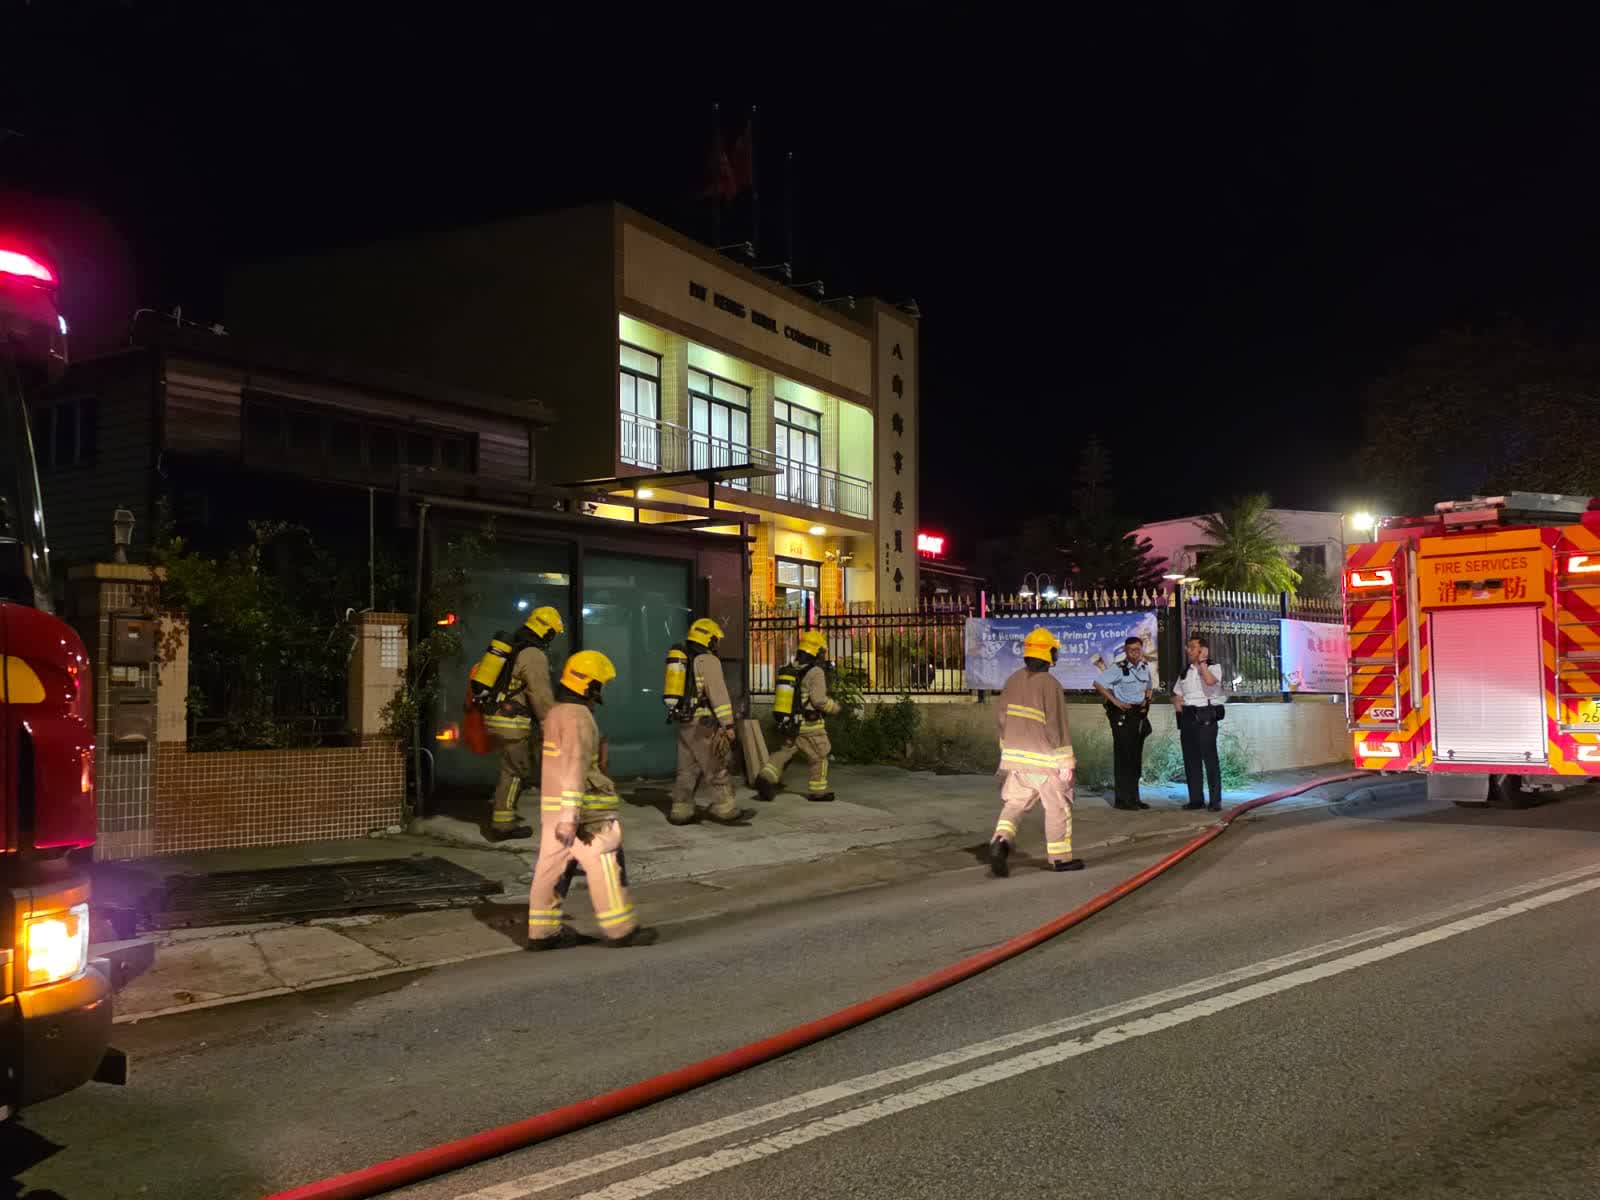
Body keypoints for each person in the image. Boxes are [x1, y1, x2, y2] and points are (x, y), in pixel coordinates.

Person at [526, 650, 657, 950]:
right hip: (585, 814)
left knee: (550, 869)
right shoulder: (579, 717)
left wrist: (562, 817)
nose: (602, 691)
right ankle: (622, 930)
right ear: (590, 686)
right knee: (606, 863)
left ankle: (542, 933)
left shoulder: (556, 713)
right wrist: (571, 817)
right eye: (601, 685)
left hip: (554, 811)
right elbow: (575, 767)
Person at [989, 627, 1081, 877]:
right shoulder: (1050, 684)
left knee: (1014, 805)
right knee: (1058, 808)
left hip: (1017, 762)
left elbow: (1002, 720)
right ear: (1049, 654)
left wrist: (1007, 752)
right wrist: (1066, 762)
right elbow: (1056, 726)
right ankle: (1060, 858)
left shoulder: (1013, 680)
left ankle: (1000, 840)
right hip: (1046, 763)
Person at [482, 606, 563, 841]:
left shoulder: (514, 647)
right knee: (516, 771)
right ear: (546, 631)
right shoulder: (533, 654)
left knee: (509, 768)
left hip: (497, 715)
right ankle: (503, 826)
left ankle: (503, 816)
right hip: (512, 722)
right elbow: (540, 694)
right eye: (552, 633)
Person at [669, 617, 756, 827]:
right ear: (708, 639)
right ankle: (725, 809)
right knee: (716, 766)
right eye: (715, 640)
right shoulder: (708, 661)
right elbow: (718, 695)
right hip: (703, 724)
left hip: (686, 721)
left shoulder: (685, 658)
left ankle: (681, 810)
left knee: (686, 769)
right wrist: (728, 725)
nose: (716, 644)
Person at [756, 629, 841, 802]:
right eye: (822, 651)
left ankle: (766, 776)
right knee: (820, 755)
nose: (823, 655)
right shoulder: (815, 672)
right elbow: (819, 700)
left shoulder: (793, 668)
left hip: (791, 724)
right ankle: (818, 792)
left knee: (785, 752)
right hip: (811, 726)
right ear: (816, 651)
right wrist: (836, 708)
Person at [1094, 636, 1153, 811]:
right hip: (1123, 715)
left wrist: (1147, 701)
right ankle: (1122, 799)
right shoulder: (1118, 668)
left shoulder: (1144, 667)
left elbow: (1149, 687)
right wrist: (1115, 701)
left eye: (1137, 649)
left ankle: (1134, 798)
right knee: (1124, 758)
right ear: (1126, 651)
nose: (1135, 653)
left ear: (1141, 650)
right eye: (1131, 650)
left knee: (1135, 758)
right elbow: (1098, 684)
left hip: (1138, 714)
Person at [1173, 634, 1225, 812]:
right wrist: (1177, 704)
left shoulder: (1213, 667)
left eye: (1192, 647)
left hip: (1205, 718)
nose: (1188, 650)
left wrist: (1202, 662)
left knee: (1210, 760)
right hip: (1188, 718)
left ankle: (1215, 801)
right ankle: (1196, 800)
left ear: (1202, 649)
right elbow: (1177, 693)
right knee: (1191, 760)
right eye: (1188, 647)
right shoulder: (1185, 672)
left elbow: (1210, 681)